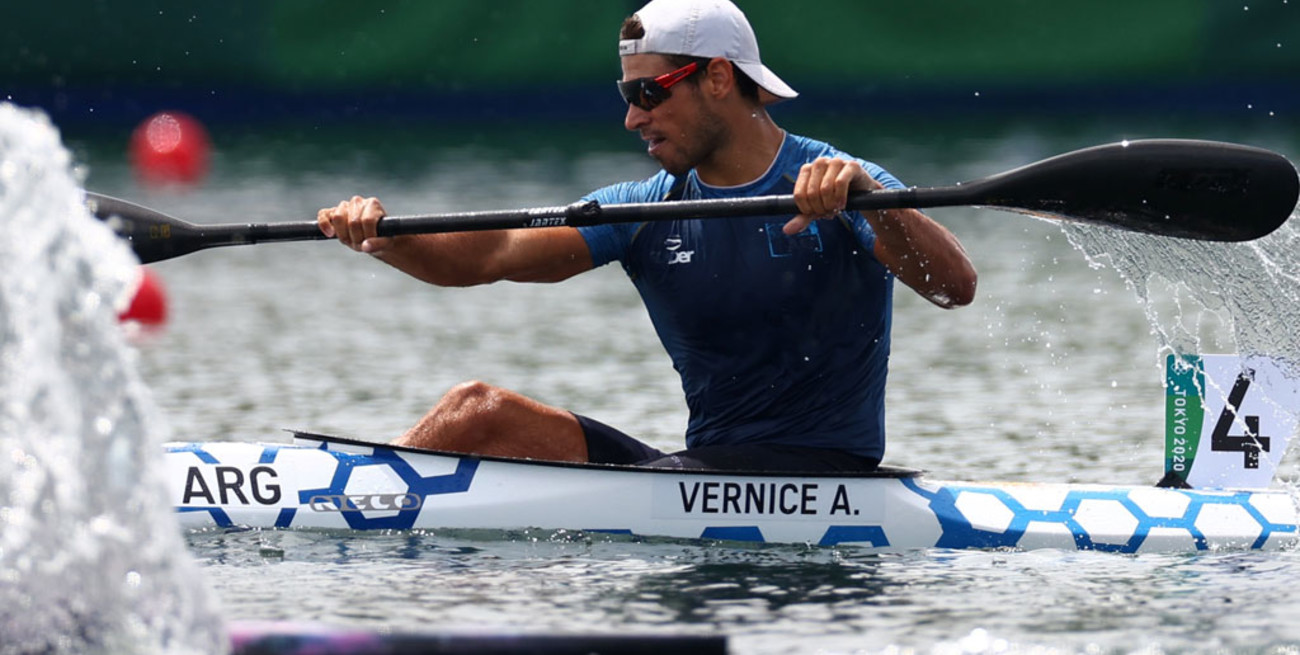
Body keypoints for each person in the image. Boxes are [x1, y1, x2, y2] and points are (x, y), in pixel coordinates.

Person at [316, 0, 977, 472]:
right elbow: (490, 253)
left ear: (718, 77)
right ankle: (353, 502)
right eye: (626, 94)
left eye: (649, 92)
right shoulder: (641, 210)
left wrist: (873, 202)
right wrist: (385, 235)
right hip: (705, 471)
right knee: (475, 410)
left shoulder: (838, 180)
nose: (633, 117)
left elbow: (956, 287)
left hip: (826, 475)